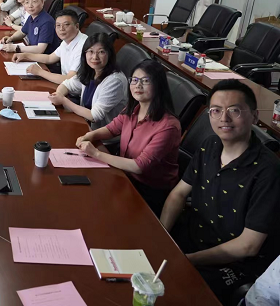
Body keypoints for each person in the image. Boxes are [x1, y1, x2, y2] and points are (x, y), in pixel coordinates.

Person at [160, 80, 280, 306]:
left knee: (169, 294)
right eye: (216, 110)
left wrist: (188, 260)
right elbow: (178, 194)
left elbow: (248, 246)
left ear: (255, 116)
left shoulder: (268, 171)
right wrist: (162, 235)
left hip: (232, 264)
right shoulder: (210, 145)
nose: (224, 118)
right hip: (192, 239)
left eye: (234, 110)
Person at [75, 60, 181, 216]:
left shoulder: (168, 126)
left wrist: (96, 153)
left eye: (145, 81)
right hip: (124, 176)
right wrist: (90, 135)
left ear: (159, 85)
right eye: (135, 80)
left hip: (148, 191)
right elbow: (112, 129)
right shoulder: (134, 108)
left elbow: (139, 166)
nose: (138, 85)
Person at [50, 33, 128, 129]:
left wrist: (63, 100)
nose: (95, 57)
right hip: (84, 123)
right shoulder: (91, 70)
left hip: (103, 133)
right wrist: (59, 94)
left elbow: (94, 116)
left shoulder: (115, 81)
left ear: (110, 54)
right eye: (91, 51)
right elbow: (67, 84)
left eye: (101, 52)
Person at [11, 9, 88, 84]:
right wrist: (25, 55)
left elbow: (69, 79)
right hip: (65, 86)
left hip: (74, 90)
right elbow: (50, 58)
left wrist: (40, 72)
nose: (61, 29)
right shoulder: (67, 40)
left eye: (66, 24)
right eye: (58, 25)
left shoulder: (83, 46)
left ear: (77, 26)